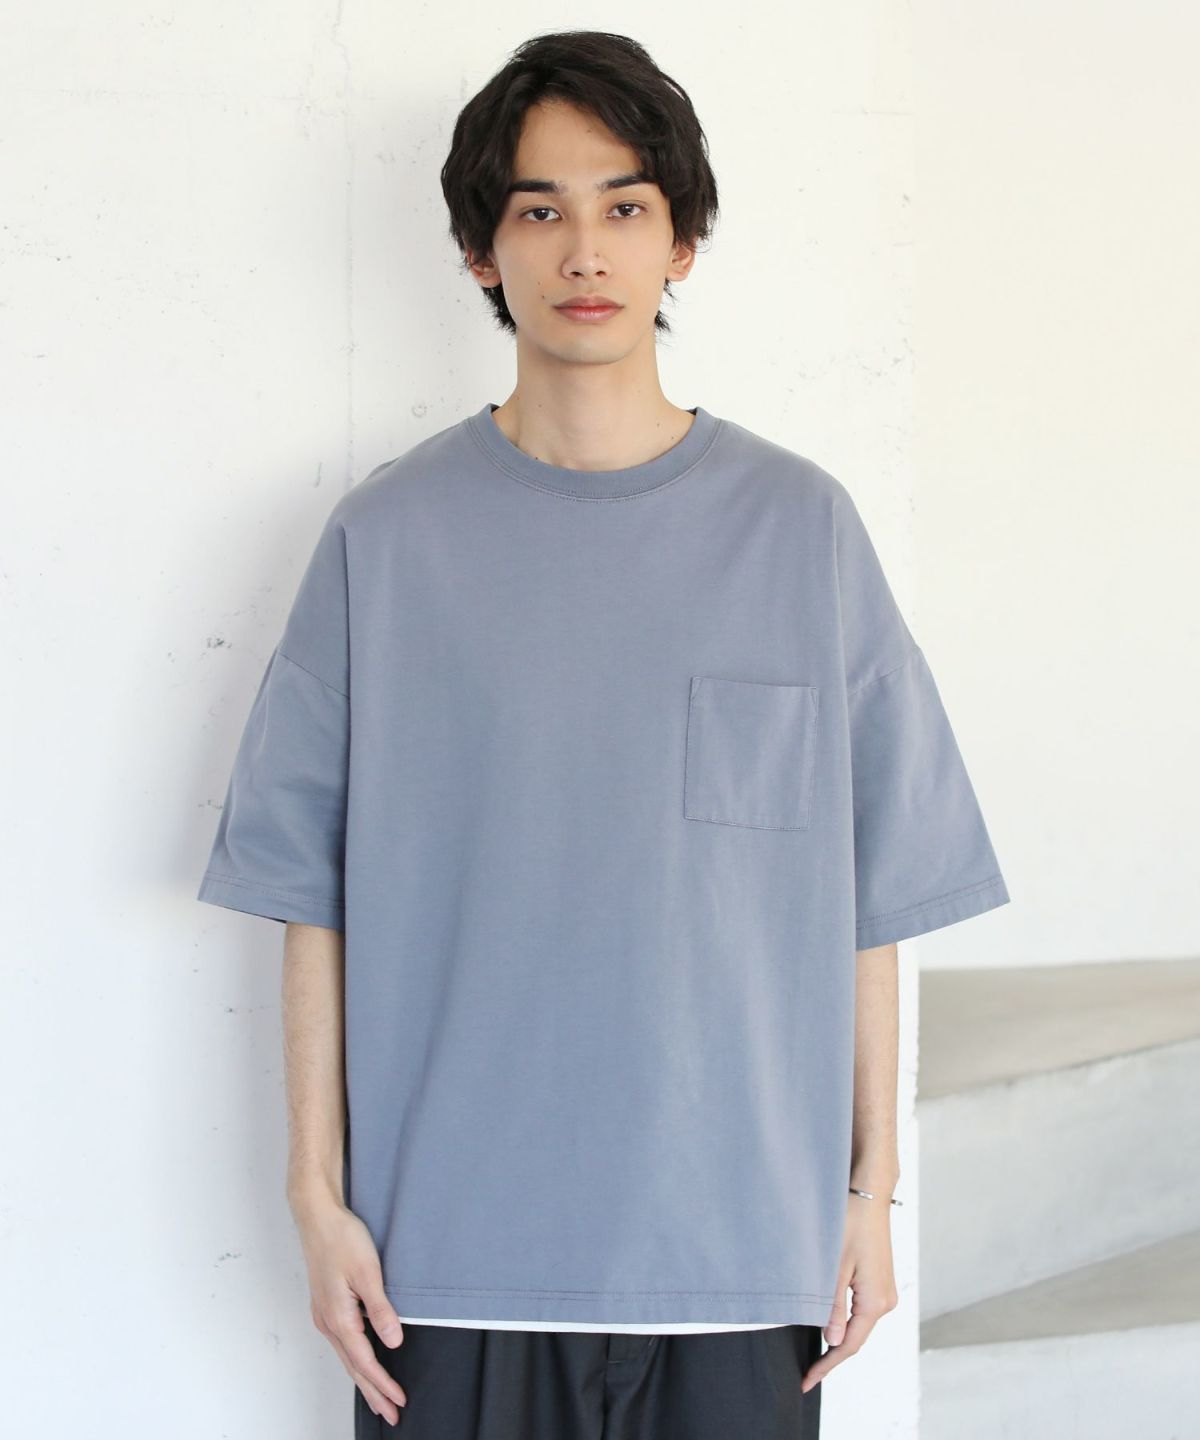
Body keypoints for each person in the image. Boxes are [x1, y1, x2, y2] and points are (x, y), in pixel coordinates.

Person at [196, 29, 1011, 1439]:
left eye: (625, 207)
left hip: (743, 1265)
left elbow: (873, 903)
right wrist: (314, 1200)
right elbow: (306, 899)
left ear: (681, 241)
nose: (585, 251)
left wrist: (872, 1194)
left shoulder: (799, 531)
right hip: (445, 1269)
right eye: (539, 210)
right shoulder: (386, 544)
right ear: (480, 251)